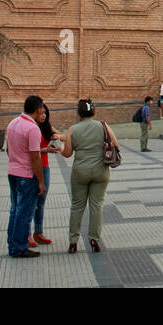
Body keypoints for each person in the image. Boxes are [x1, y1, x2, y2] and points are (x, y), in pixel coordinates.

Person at [57, 97, 115, 253]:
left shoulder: (73, 130)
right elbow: (115, 144)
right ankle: (94, 240)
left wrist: (60, 148)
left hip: (80, 172)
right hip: (100, 172)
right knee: (96, 206)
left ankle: (73, 241)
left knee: (77, 206)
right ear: (93, 111)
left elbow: (68, 154)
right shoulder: (103, 126)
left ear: (79, 113)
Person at [6, 95, 47, 258]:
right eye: (42, 110)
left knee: (15, 210)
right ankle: (19, 247)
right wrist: (41, 182)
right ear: (37, 111)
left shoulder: (12, 123)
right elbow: (35, 157)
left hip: (13, 172)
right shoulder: (32, 129)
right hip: (27, 175)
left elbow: (9, 150)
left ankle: (13, 243)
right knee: (24, 213)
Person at [31, 103, 56, 247]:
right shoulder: (30, 128)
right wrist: (44, 150)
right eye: (41, 113)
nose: (43, 116)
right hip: (33, 167)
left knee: (41, 201)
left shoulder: (46, 126)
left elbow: (63, 136)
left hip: (45, 167)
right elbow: (30, 151)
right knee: (30, 201)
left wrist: (61, 139)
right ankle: (27, 234)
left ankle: (38, 232)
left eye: (45, 113)